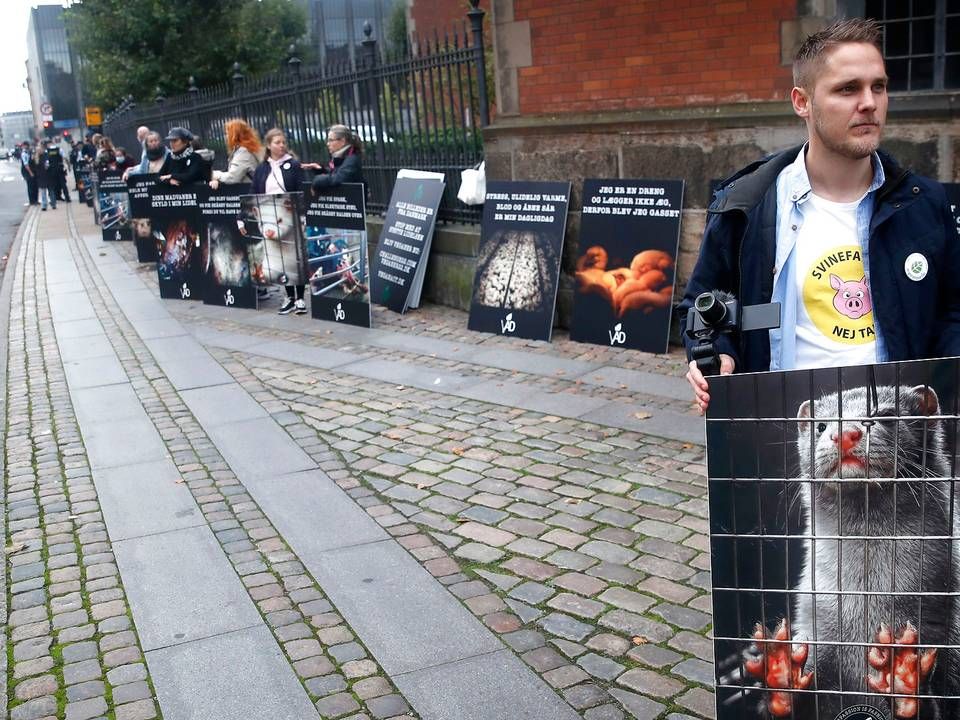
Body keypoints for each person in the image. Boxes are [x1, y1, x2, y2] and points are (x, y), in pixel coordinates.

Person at [680, 17, 960, 414]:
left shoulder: (925, 204)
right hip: (789, 430)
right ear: (802, 102)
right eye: (848, 89)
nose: (869, 102)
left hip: (898, 439)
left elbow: (953, 310)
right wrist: (716, 353)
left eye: (878, 86)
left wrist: (948, 388)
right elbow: (700, 306)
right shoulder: (747, 204)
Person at [250, 127, 307, 315]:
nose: (281, 146)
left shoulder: (293, 165)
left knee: (294, 256)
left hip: (288, 218)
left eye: (283, 142)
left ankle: (300, 297)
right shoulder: (262, 168)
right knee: (279, 259)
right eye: (277, 142)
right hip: (270, 218)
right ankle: (288, 296)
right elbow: (255, 192)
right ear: (269, 145)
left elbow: (301, 189)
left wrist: (301, 215)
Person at [307, 124, 364, 193]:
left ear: (342, 141)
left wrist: (317, 180)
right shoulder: (342, 157)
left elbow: (339, 179)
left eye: (331, 140)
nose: (328, 144)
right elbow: (337, 175)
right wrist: (321, 170)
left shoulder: (352, 159)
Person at [209, 118, 261, 190]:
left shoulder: (243, 152)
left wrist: (216, 175)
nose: (225, 137)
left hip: (249, 195)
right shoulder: (244, 150)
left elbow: (232, 177)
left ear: (235, 135)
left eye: (227, 133)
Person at [34, 141, 55, 211]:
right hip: (41, 176)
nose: (39, 151)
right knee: (43, 192)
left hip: (48, 175)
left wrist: (47, 166)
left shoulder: (47, 155)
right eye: (38, 150)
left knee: (51, 191)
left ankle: (53, 203)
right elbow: (34, 166)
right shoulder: (36, 157)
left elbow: (49, 163)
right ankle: (44, 205)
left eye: (40, 150)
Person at [19, 141, 38, 206]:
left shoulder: (30, 152)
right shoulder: (24, 153)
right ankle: (32, 201)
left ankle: (36, 200)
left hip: (33, 170)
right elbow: (26, 164)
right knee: (30, 186)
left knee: (35, 186)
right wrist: (30, 173)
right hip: (28, 172)